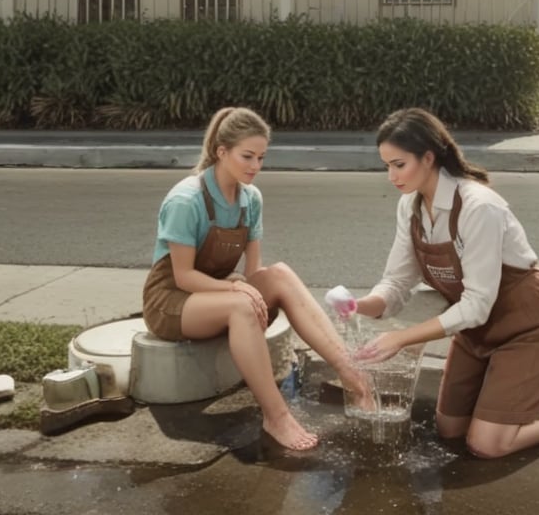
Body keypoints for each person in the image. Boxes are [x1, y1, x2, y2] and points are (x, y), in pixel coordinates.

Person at [349, 108, 539, 459]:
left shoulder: (479, 207)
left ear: (428, 158)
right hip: (477, 333)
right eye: (387, 165)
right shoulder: (410, 207)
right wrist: (362, 305)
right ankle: (533, 406)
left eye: (399, 164)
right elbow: (397, 282)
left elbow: (476, 305)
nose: (391, 176)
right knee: (450, 431)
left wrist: (401, 338)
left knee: (485, 445)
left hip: (529, 329)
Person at [142, 106, 371, 452]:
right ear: (221, 151)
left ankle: (350, 375)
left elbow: (254, 274)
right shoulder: (186, 199)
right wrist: (236, 288)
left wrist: (242, 286)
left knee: (279, 275)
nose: (255, 166)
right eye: (247, 156)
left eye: (261, 157)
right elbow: (184, 277)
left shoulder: (251, 199)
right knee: (241, 305)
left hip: (219, 294)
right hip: (172, 302)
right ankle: (276, 416)